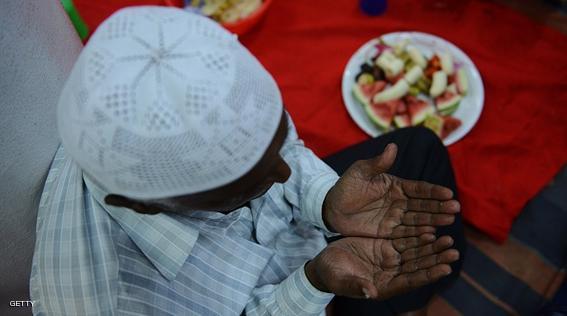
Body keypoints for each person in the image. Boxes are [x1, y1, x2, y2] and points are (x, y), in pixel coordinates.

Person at [30, 6, 463, 316]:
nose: (286, 171)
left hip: (312, 255)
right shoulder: (109, 300)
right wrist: (315, 283)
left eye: (274, 145)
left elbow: (286, 158)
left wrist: (325, 199)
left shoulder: (212, 90)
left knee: (421, 151)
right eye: (244, 187)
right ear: (145, 205)